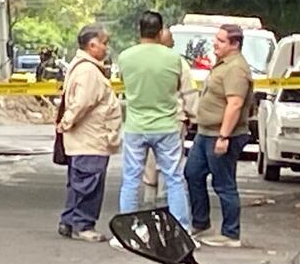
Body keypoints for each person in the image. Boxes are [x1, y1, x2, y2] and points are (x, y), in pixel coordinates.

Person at [116, 12, 191, 231]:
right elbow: (181, 88)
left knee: (131, 180)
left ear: (139, 32)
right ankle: (182, 229)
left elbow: (124, 82)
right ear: (160, 32)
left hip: (136, 126)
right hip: (166, 126)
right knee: (175, 179)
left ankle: (127, 230)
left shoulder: (125, 57)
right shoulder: (174, 59)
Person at [185, 24, 253, 248]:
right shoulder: (223, 64)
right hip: (205, 132)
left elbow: (235, 104)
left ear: (234, 44)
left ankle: (230, 233)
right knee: (192, 173)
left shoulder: (236, 68)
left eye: (221, 40)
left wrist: (224, 137)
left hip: (221, 134)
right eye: (216, 39)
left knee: (223, 183)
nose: (215, 43)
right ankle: (201, 223)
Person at [57, 24, 122, 243]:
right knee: (89, 182)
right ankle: (82, 225)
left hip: (84, 138)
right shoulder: (88, 71)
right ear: (92, 44)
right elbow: (81, 103)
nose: (106, 48)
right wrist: (67, 121)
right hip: (91, 138)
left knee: (78, 181)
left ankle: (69, 220)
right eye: (104, 43)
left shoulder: (83, 67)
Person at [141, 28, 198, 206]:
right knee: (170, 167)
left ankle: (148, 205)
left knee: (150, 166)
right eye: (172, 40)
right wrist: (194, 117)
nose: (174, 43)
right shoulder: (178, 63)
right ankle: (165, 207)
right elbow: (189, 93)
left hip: (145, 120)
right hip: (172, 121)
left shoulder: (140, 62)